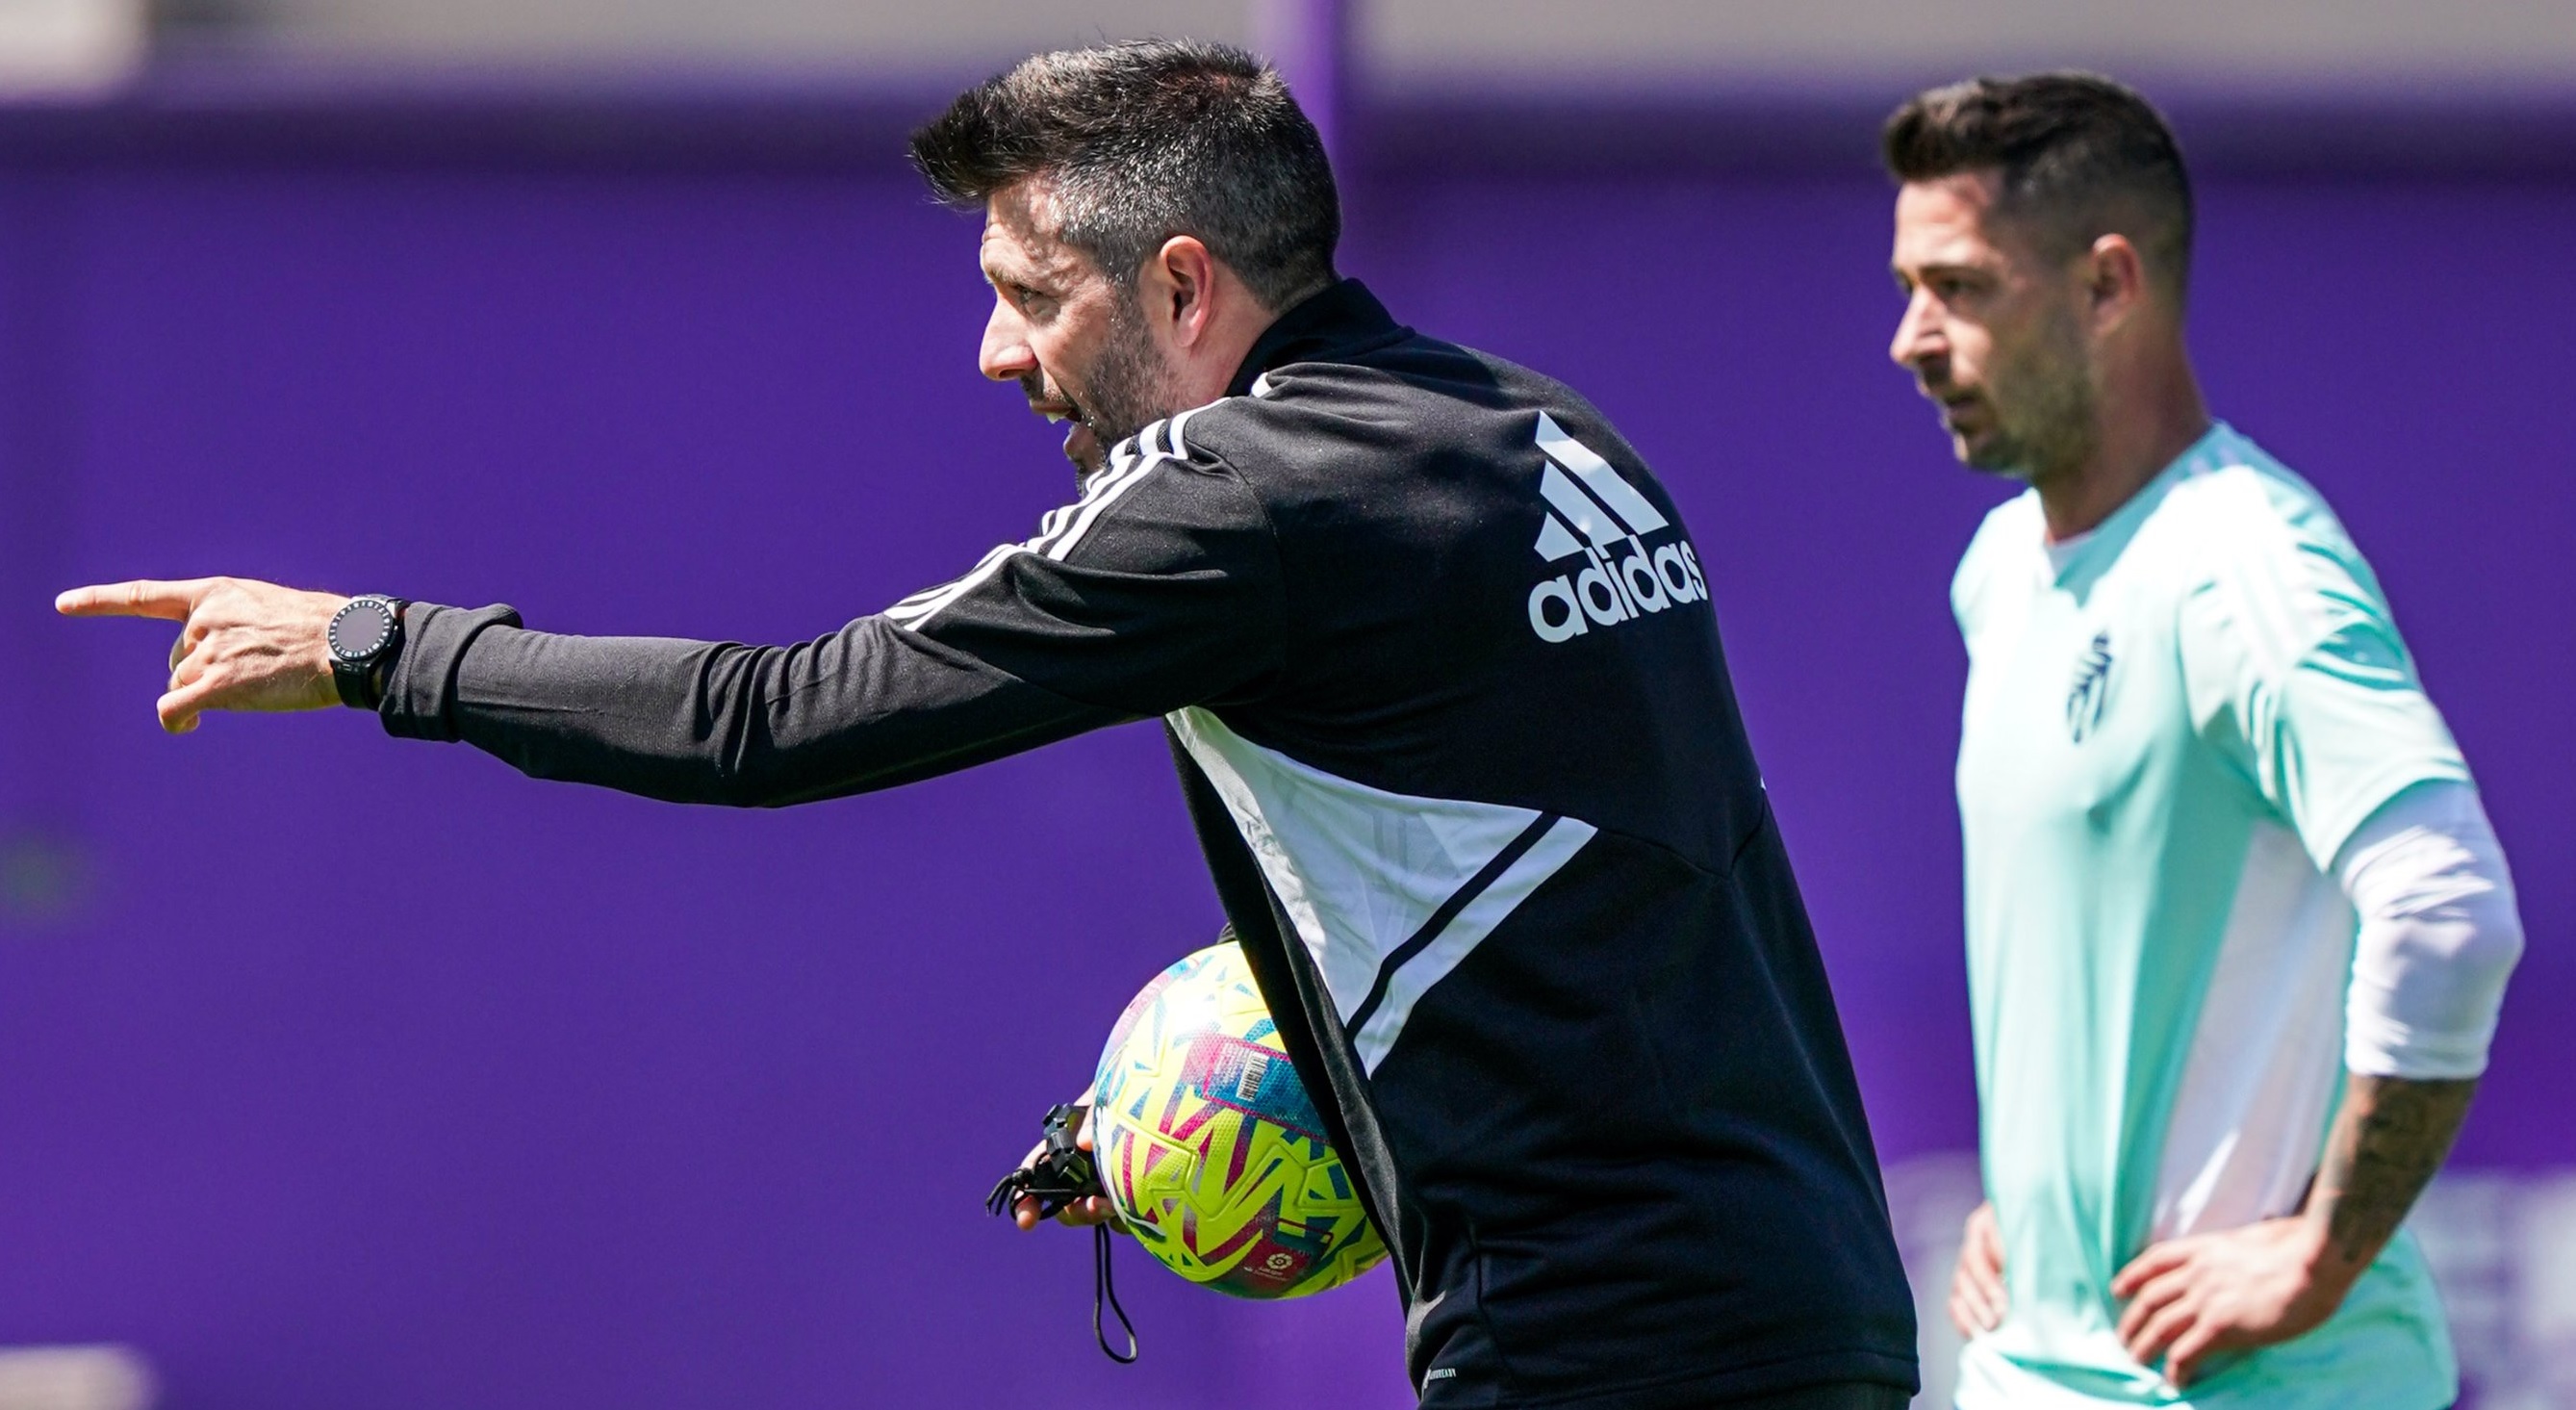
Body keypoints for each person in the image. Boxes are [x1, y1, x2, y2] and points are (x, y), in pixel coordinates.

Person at [60, 41, 1917, 1410]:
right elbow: (1563, 884)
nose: (994, 354)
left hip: (1596, 1346)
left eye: (1030, 297)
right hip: (1806, 1295)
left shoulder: (1238, 490)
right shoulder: (1532, 426)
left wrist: (383, 646)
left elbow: (772, 718)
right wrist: (1186, 1119)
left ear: (1181, 285)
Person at [1883, 72, 2525, 1409]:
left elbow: (2447, 903)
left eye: (1959, 287)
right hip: (2040, 1369)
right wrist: (2039, 1215)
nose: (1911, 337)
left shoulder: (2246, 565)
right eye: (1906, 285)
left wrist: (2317, 1255)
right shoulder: (2000, 568)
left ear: (2107, 286)